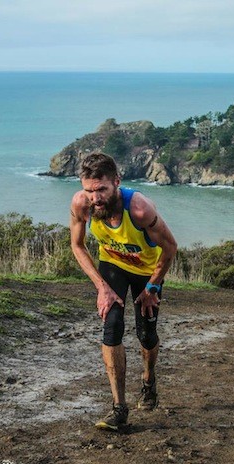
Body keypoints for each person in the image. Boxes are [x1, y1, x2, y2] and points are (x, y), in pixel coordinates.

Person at [69, 152, 177, 432]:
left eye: (102, 189)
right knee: (112, 327)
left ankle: (149, 380)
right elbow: (78, 246)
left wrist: (153, 287)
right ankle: (119, 408)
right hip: (113, 266)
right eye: (89, 190)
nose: (96, 198)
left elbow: (170, 248)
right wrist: (101, 287)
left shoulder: (139, 210)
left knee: (146, 334)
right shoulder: (82, 204)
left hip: (147, 272)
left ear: (117, 181)